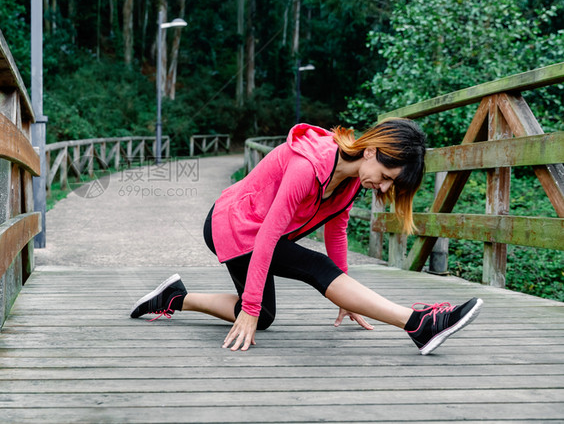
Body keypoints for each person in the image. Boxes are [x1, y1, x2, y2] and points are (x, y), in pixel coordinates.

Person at [130, 119, 482, 355]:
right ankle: (418, 323)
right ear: (372, 151)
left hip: (263, 234)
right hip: (234, 226)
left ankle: (175, 298)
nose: (384, 187)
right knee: (302, 274)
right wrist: (248, 308)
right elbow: (268, 233)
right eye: (387, 176)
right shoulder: (308, 165)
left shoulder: (350, 182)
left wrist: (346, 297)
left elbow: (337, 229)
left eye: (392, 184)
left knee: (265, 315)